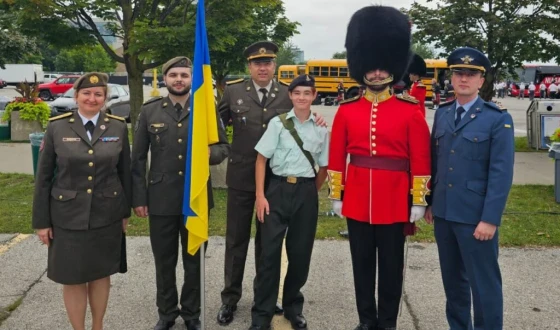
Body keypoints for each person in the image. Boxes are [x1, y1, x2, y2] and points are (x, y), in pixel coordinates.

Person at [328, 6, 431, 330]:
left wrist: (418, 199)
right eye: (369, 68)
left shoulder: (410, 110)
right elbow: (336, 156)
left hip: (395, 200)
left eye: (381, 67)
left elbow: (421, 159)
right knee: (361, 266)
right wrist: (336, 194)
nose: (375, 74)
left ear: (392, 67)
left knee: (390, 267)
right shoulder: (346, 111)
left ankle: (387, 322)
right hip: (357, 199)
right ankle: (366, 321)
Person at [216, 41, 326, 325]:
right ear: (249, 66)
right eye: (257, 63)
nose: (262, 67)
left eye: (267, 63)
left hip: (275, 182)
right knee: (236, 240)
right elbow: (216, 124)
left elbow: (302, 114)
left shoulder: (286, 93)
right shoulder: (234, 90)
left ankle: (263, 298)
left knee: (268, 244)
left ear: (274, 65)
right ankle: (230, 298)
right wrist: (225, 150)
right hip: (242, 176)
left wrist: (317, 118)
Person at [131, 56, 229, 330]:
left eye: (184, 75)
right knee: (164, 262)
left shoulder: (205, 109)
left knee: (194, 262)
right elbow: (137, 158)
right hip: (160, 199)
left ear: (192, 79)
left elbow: (224, 147)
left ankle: (191, 314)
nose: (179, 80)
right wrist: (138, 198)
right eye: (173, 75)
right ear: (165, 78)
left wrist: (211, 153)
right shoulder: (150, 111)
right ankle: (166, 314)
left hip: (196, 198)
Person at [32, 72, 131, 330]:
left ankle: (98, 326)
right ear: (76, 96)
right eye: (86, 93)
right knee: (73, 278)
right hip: (66, 216)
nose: (92, 98)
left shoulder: (118, 126)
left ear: (105, 98)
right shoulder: (57, 127)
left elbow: (124, 173)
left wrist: (125, 212)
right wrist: (42, 222)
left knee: (100, 275)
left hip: (106, 214)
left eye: (98, 94)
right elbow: (43, 178)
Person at [425, 47, 514, 330]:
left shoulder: (497, 118)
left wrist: (490, 219)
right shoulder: (442, 113)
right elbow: (436, 162)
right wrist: (429, 202)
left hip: (476, 218)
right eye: (458, 73)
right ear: (451, 78)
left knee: (484, 285)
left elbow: (501, 174)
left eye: (471, 74)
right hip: (445, 213)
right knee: (453, 284)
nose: (464, 78)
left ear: (481, 80)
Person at [250, 74, 329, 330]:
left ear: (314, 96)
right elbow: (261, 160)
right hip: (277, 191)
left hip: (305, 192)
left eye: (307, 93)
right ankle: (261, 315)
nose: (302, 98)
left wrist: (310, 191)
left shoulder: (321, 128)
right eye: (297, 93)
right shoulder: (278, 124)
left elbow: (324, 167)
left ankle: (293, 308)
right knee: (269, 255)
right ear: (291, 96)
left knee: (300, 254)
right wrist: (260, 196)